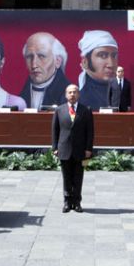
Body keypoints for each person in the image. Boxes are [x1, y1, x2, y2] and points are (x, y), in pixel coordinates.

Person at [52, 84, 94, 213]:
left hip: (80, 151)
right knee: (66, 177)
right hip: (64, 150)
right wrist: (55, 147)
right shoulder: (59, 110)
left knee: (78, 177)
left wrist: (88, 149)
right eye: (69, 92)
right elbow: (55, 130)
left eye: (74, 92)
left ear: (78, 94)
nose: (72, 94)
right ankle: (67, 202)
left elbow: (90, 131)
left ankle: (77, 202)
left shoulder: (85, 110)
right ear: (66, 95)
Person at [19, 32, 71, 110]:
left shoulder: (70, 94)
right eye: (29, 56)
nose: (34, 65)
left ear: (57, 61)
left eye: (41, 56)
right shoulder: (21, 94)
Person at [77, 30, 118, 111]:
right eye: (102, 55)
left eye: (114, 56)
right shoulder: (77, 97)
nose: (111, 64)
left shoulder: (122, 91)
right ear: (85, 62)